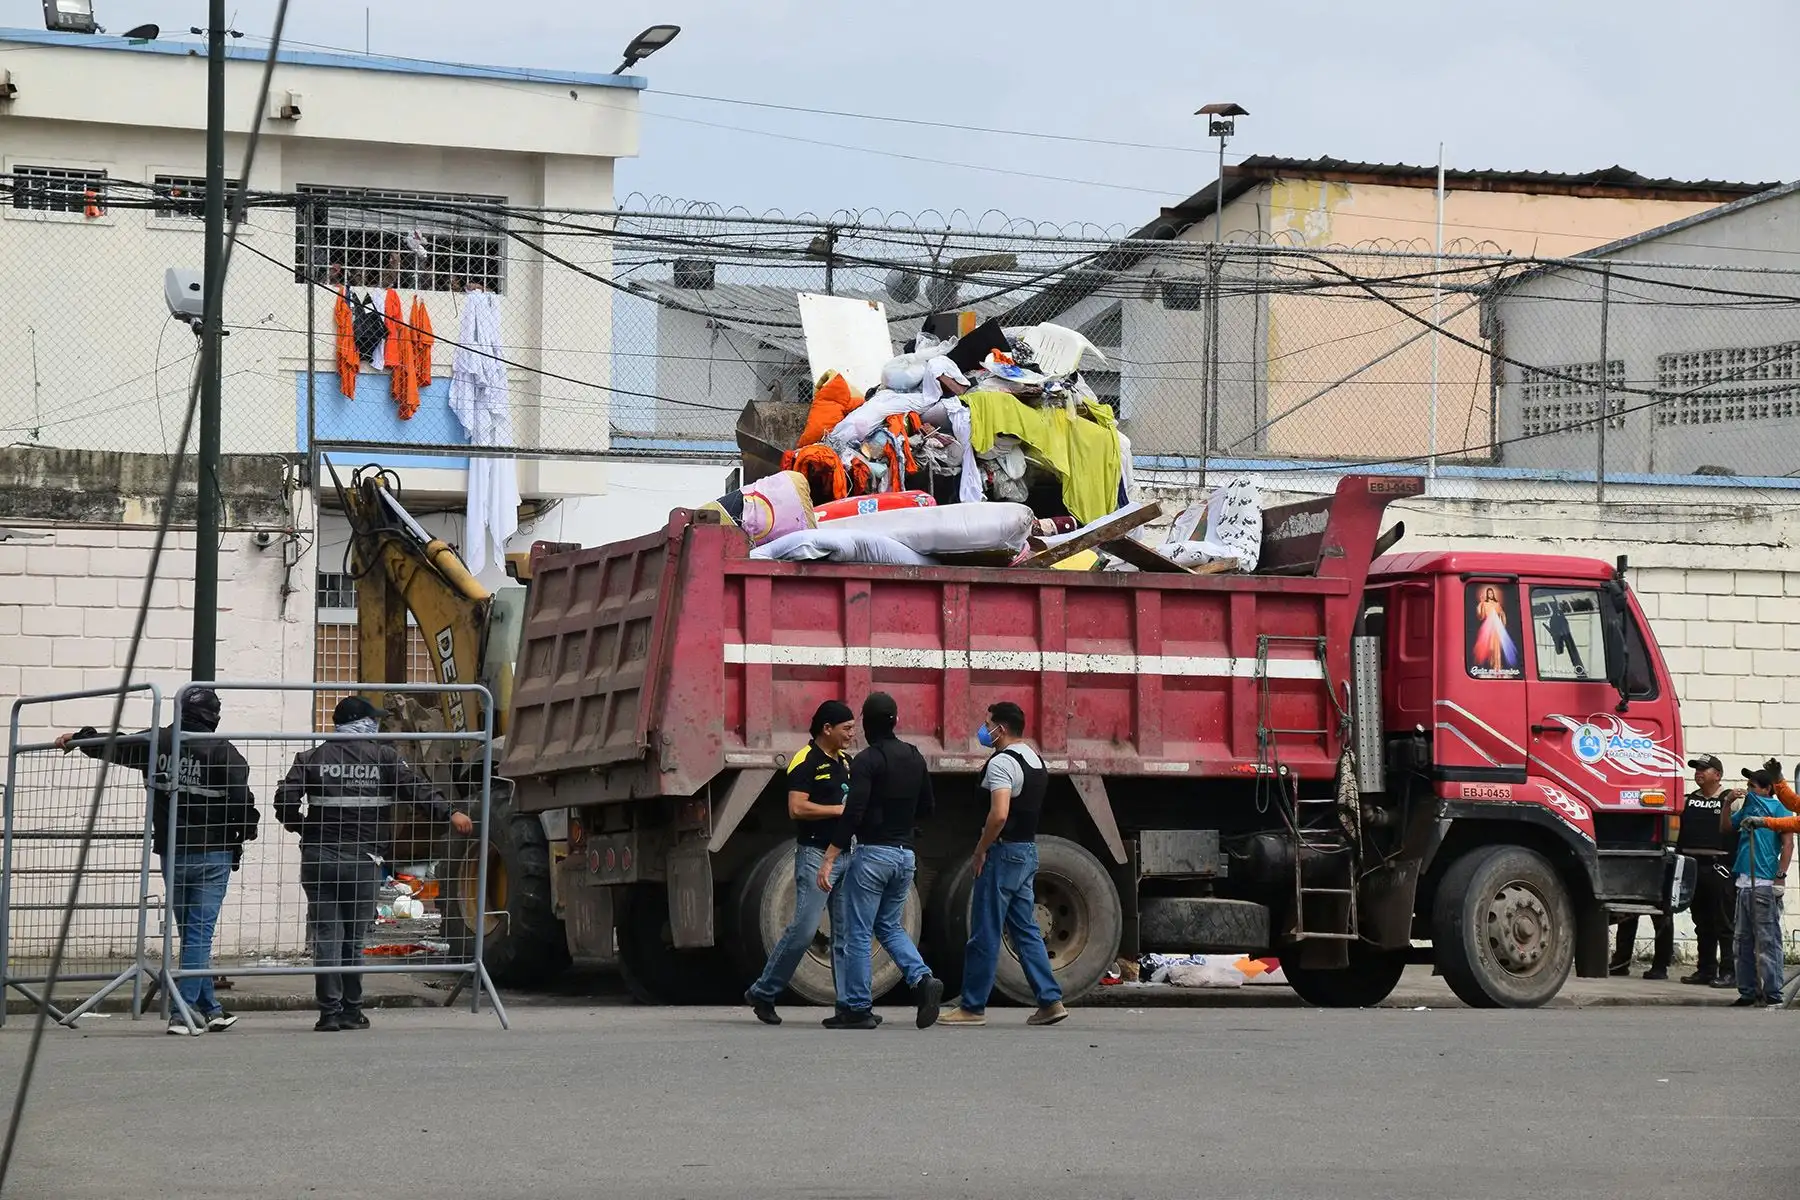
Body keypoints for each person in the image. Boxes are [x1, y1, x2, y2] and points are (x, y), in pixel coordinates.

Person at [56, 687, 258, 1036]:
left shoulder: (156, 743)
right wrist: (241, 837)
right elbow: (243, 808)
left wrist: (81, 738)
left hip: (172, 852)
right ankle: (185, 1011)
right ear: (215, 716)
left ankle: (211, 1009)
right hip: (212, 854)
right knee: (199, 934)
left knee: (193, 934)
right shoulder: (226, 753)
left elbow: (116, 745)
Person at [273, 696, 473, 1032]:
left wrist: (304, 827)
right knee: (353, 939)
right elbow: (417, 790)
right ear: (364, 723)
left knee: (326, 937)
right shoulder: (383, 757)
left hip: (320, 857)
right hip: (363, 859)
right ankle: (352, 1011)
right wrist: (450, 811)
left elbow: (285, 801)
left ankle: (329, 1013)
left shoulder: (311, 757)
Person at [817, 692, 943, 1031]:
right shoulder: (915, 757)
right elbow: (928, 807)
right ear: (896, 721)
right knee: (888, 925)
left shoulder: (866, 761)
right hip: (906, 857)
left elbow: (853, 812)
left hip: (874, 855)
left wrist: (830, 855)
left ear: (866, 726)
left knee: (858, 931)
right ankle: (922, 978)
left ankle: (856, 1008)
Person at [941, 701, 1068, 1028]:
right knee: (1025, 930)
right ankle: (1050, 1001)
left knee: (985, 931)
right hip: (1026, 852)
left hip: (1002, 852)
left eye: (987, 724)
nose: (983, 730)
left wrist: (981, 849)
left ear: (1002, 728)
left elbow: (999, 814)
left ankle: (972, 1007)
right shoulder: (1034, 760)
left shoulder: (1001, 764)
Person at [743, 700, 856, 1026]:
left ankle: (848, 1005)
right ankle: (764, 991)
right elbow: (797, 808)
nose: (851, 734)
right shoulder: (804, 760)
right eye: (846, 728)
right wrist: (838, 812)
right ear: (827, 729)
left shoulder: (847, 762)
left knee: (845, 934)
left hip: (847, 854)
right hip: (815, 856)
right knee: (805, 930)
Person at [1726, 765, 1793, 1008]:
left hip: (1763, 881)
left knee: (1767, 941)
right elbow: (1726, 827)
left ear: (1767, 789)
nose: (1748, 790)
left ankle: (1773, 991)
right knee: (1742, 941)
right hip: (1744, 881)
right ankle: (1747, 991)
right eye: (1748, 786)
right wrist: (1727, 803)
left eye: (1753, 786)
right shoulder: (1746, 807)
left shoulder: (1778, 808)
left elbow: (1788, 844)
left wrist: (1780, 876)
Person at [1676, 754, 1739, 987]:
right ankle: (1706, 970)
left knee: (1724, 923)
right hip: (1694, 867)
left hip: (1720, 868)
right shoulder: (1688, 800)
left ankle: (1729, 972)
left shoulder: (1731, 799)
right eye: (1697, 769)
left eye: (1705, 769)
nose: (1698, 772)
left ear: (1718, 775)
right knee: (1702, 922)